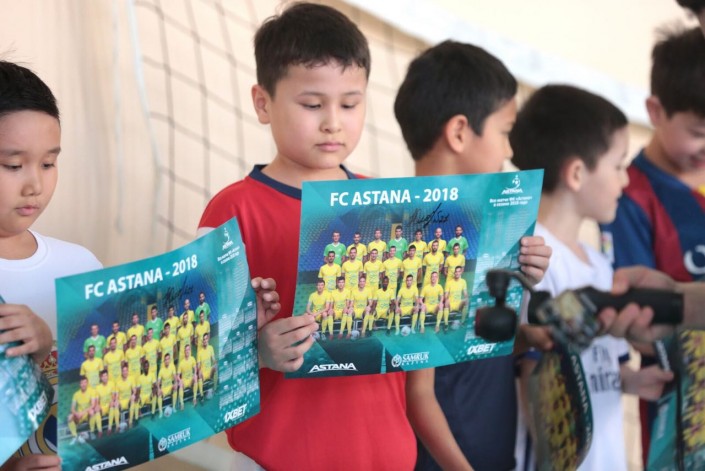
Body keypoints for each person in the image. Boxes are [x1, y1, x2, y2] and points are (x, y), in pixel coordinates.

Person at [196, 3, 416, 469]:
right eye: (313, 105)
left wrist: (511, 272)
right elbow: (194, 359)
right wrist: (258, 351)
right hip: (277, 458)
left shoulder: (389, 205)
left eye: (350, 104)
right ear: (263, 103)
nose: (333, 121)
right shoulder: (232, 211)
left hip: (387, 455)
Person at [394, 40, 551, 470]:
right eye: (505, 132)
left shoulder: (482, 227)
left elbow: (467, 350)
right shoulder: (418, 238)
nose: (510, 151)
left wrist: (525, 335)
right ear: (460, 132)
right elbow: (418, 393)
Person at [511, 84, 674, 470]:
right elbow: (534, 381)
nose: (625, 181)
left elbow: (597, 365)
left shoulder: (600, 266)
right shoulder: (535, 259)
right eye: (618, 166)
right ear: (577, 173)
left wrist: (631, 380)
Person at [598, 26, 705, 460]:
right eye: (699, 131)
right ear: (655, 111)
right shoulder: (630, 197)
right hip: (681, 415)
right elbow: (638, 330)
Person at [0, 60, 102, 470]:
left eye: (48, 163)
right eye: (13, 165)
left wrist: (46, 348)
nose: (35, 185)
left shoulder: (80, 265)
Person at [67, 377, 95, 444]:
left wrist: (83, 412)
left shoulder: (92, 391)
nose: (83, 384)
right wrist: (76, 414)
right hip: (79, 416)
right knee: (70, 417)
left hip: (87, 414)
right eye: (82, 383)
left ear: (87, 383)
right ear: (79, 384)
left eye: (85, 382)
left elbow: (93, 405)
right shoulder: (76, 394)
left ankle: (92, 432)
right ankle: (75, 436)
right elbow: (72, 408)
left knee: (92, 412)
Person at [91, 369, 118, 437]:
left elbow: (114, 396)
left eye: (106, 376)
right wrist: (97, 406)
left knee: (112, 405)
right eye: (103, 376)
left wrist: (112, 400)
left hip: (109, 406)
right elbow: (97, 400)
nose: (105, 378)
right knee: (97, 409)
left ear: (108, 376)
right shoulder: (98, 387)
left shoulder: (112, 384)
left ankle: (109, 428)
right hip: (102, 407)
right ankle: (100, 431)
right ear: (100, 378)